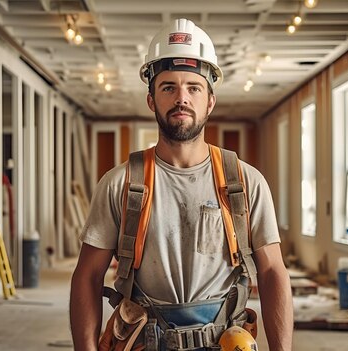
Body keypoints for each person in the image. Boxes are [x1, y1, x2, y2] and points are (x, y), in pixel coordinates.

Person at [70, 18, 293, 351]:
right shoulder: (121, 184)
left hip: (225, 343)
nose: (181, 98)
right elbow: (87, 276)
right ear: (151, 101)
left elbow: (273, 271)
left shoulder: (245, 182)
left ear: (210, 101)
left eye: (193, 87)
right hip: (145, 341)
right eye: (168, 87)